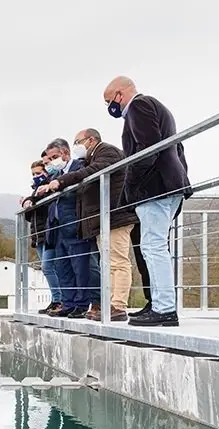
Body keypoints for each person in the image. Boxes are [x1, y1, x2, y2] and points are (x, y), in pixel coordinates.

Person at [103, 76, 192, 326]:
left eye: (110, 101)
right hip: (167, 185)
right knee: (153, 248)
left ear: (120, 95)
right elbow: (176, 150)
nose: (111, 107)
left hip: (155, 188)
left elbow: (146, 150)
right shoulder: (157, 108)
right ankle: (158, 303)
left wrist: (130, 186)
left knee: (153, 247)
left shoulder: (139, 107)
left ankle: (164, 309)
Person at [48, 129, 138, 321]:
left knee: (118, 262)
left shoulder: (107, 151)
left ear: (91, 140)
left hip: (116, 214)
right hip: (103, 219)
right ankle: (109, 305)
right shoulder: (93, 157)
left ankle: (118, 306)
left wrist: (62, 180)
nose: (76, 147)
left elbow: (92, 172)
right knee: (108, 264)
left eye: (77, 142)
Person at [35, 139, 98, 318]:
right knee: (63, 267)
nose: (53, 161)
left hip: (74, 223)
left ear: (65, 153)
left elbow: (79, 188)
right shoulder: (56, 174)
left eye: (55, 156)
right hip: (57, 227)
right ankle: (68, 303)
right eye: (50, 157)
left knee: (80, 266)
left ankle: (81, 304)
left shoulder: (79, 166)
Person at [21, 160, 63, 315]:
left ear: (46, 172)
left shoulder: (49, 187)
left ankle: (59, 300)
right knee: (49, 268)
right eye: (33, 174)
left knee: (48, 267)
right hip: (37, 235)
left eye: (38, 173)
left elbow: (48, 207)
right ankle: (56, 299)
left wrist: (32, 200)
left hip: (49, 233)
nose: (36, 176)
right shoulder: (34, 191)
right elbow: (29, 216)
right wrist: (27, 202)